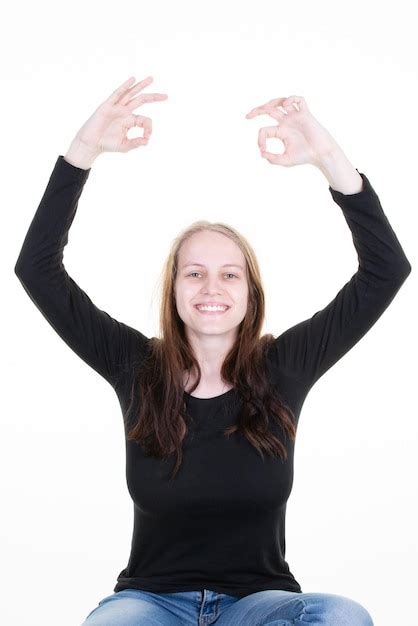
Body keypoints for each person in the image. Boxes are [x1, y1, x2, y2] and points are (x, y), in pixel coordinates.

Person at [15, 75, 411, 625]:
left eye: (229, 275)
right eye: (194, 273)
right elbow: (37, 269)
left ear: (250, 294)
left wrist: (326, 156)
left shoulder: (284, 367)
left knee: (342, 615)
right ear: (173, 289)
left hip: (259, 605)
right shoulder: (136, 367)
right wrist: (83, 151)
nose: (211, 288)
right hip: (150, 604)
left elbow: (386, 270)